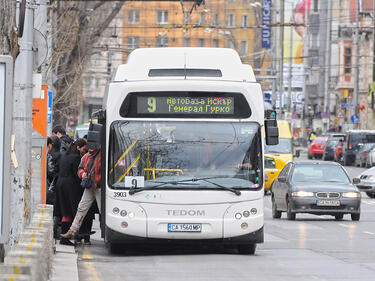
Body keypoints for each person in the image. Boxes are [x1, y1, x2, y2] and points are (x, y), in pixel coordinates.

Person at [61, 147, 102, 239]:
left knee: (101, 210)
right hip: (90, 186)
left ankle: (73, 231)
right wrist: (82, 173)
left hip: (99, 187)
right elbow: (80, 168)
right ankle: (73, 230)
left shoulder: (101, 156)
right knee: (81, 208)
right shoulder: (87, 156)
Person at [55, 138, 88, 245]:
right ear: (78, 147)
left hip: (60, 184)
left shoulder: (65, 155)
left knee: (65, 210)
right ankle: (66, 237)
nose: (84, 150)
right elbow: (76, 173)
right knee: (71, 210)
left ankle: (65, 237)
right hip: (70, 186)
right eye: (83, 148)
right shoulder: (76, 157)